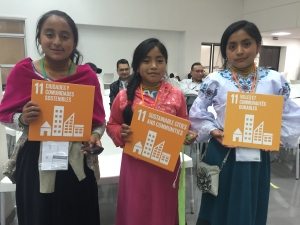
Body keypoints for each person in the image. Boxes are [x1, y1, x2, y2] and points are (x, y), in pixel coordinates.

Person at [189, 20, 300, 225]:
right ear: (225, 51)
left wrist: (278, 136)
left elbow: (292, 115)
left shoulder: (275, 80)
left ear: (258, 45)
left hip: (256, 155)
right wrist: (213, 130)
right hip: (222, 152)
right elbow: (197, 112)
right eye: (232, 46)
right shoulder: (215, 79)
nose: (239, 51)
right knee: (217, 207)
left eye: (246, 43)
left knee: (248, 206)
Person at [0, 10, 105, 225]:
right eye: (49, 34)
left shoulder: (86, 76)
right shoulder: (23, 71)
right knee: (39, 216)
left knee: (78, 215)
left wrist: (94, 136)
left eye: (65, 36)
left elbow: (98, 122)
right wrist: (22, 118)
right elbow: (4, 114)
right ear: (39, 37)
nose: (57, 42)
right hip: (35, 161)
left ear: (74, 41)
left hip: (76, 162)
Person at [106, 38, 196, 225]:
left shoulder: (176, 95)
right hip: (136, 165)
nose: (154, 66)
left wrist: (188, 135)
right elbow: (112, 124)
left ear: (165, 64)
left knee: (163, 210)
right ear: (137, 66)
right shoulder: (124, 97)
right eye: (146, 61)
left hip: (166, 167)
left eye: (160, 60)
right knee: (136, 210)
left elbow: (185, 125)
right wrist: (119, 133)